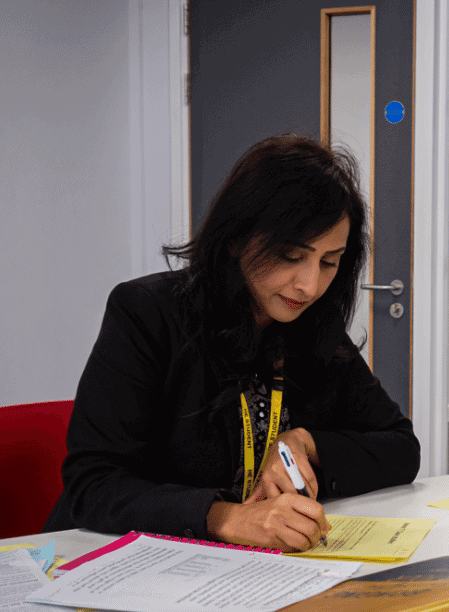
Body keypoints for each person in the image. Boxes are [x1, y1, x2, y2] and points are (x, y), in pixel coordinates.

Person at [44, 134, 421, 550]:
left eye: (329, 262)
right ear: (237, 238)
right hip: (120, 561)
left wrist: (302, 442)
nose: (310, 284)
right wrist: (226, 518)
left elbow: (401, 448)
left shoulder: (315, 328)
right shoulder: (147, 313)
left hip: (251, 569)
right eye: (291, 256)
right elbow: (93, 484)